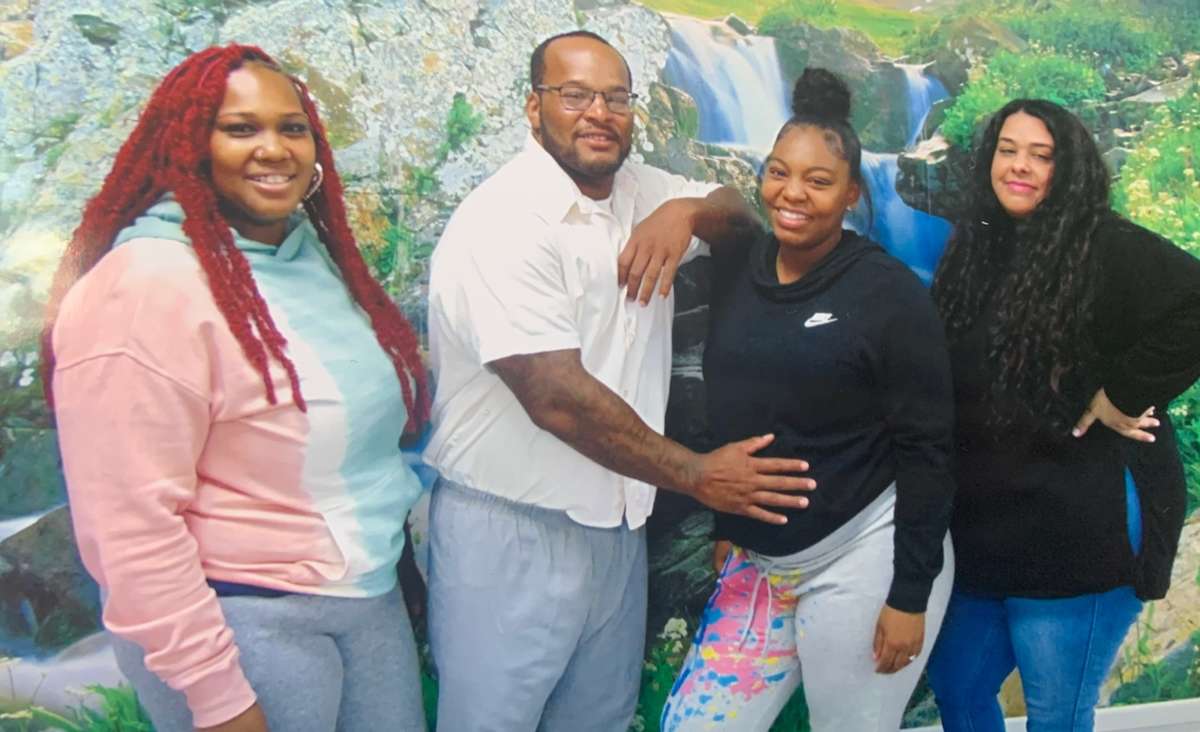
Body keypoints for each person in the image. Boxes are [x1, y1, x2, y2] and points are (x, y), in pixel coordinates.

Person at [422, 30, 816, 731]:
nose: (598, 113)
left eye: (615, 97)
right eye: (574, 95)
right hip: (513, 530)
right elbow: (555, 396)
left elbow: (740, 220)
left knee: (597, 720)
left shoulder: (642, 192)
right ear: (532, 107)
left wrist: (687, 211)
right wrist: (697, 475)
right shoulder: (505, 220)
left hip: (617, 527)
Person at [43, 44, 430, 732]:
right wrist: (215, 696)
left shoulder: (306, 257)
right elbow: (129, 528)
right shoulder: (142, 287)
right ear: (187, 145)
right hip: (245, 620)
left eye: (292, 127)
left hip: (365, 601)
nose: (274, 149)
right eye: (241, 128)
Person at [660, 68, 956, 731]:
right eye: (778, 172)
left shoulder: (889, 296)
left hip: (865, 555)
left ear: (853, 194)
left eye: (818, 182)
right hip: (760, 567)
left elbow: (929, 450)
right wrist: (731, 527)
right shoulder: (740, 266)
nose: (792, 194)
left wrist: (909, 595)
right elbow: (744, 408)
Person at [926, 98, 1200, 730]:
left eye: (1041, 156)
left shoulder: (1104, 244)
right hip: (986, 529)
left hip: (1081, 528)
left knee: (1055, 714)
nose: (1019, 167)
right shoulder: (976, 248)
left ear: (1067, 168)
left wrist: (1121, 393)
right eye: (1008, 150)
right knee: (959, 687)